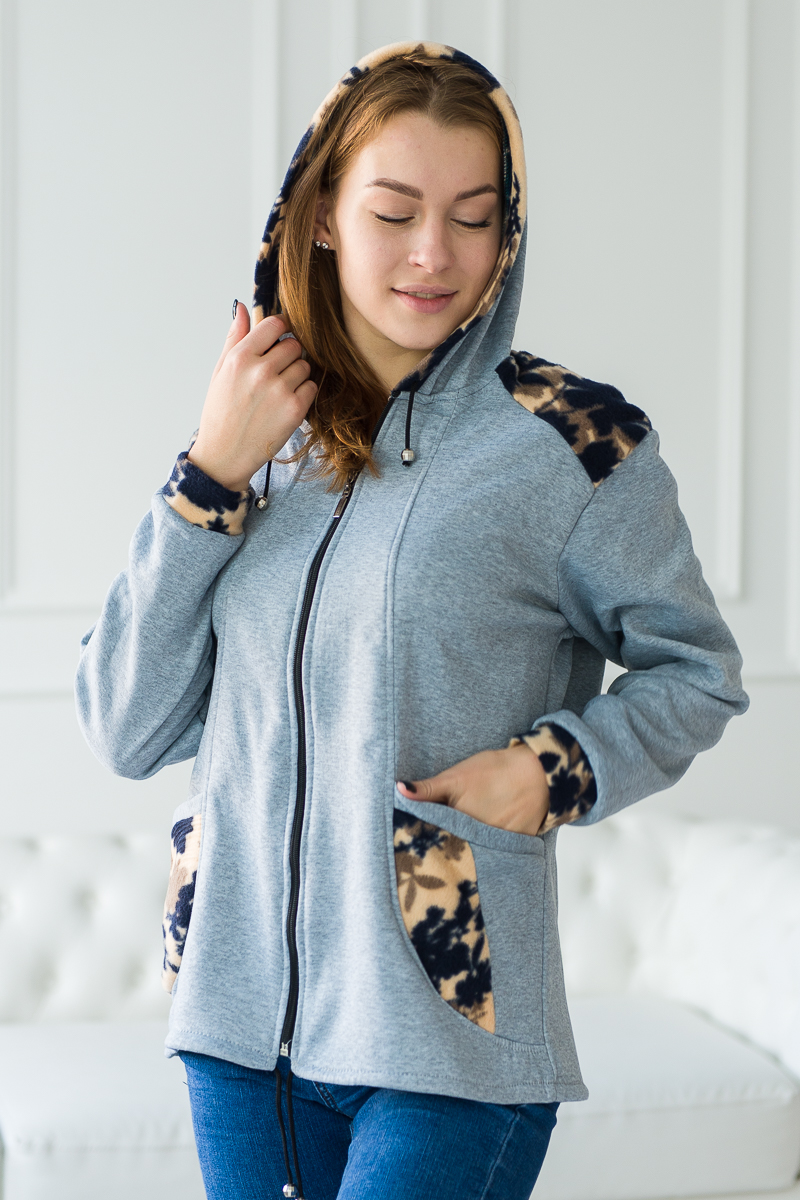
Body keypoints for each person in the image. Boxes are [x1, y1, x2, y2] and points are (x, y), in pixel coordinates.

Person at [75, 42, 748, 1200]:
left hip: (447, 1019)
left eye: (472, 218)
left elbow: (698, 670)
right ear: (321, 215)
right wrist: (207, 475)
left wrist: (550, 768)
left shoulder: (570, 440)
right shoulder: (249, 433)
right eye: (393, 213)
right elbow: (126, 728)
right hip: (236, 1021)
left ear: (506, 231)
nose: (434, 254)